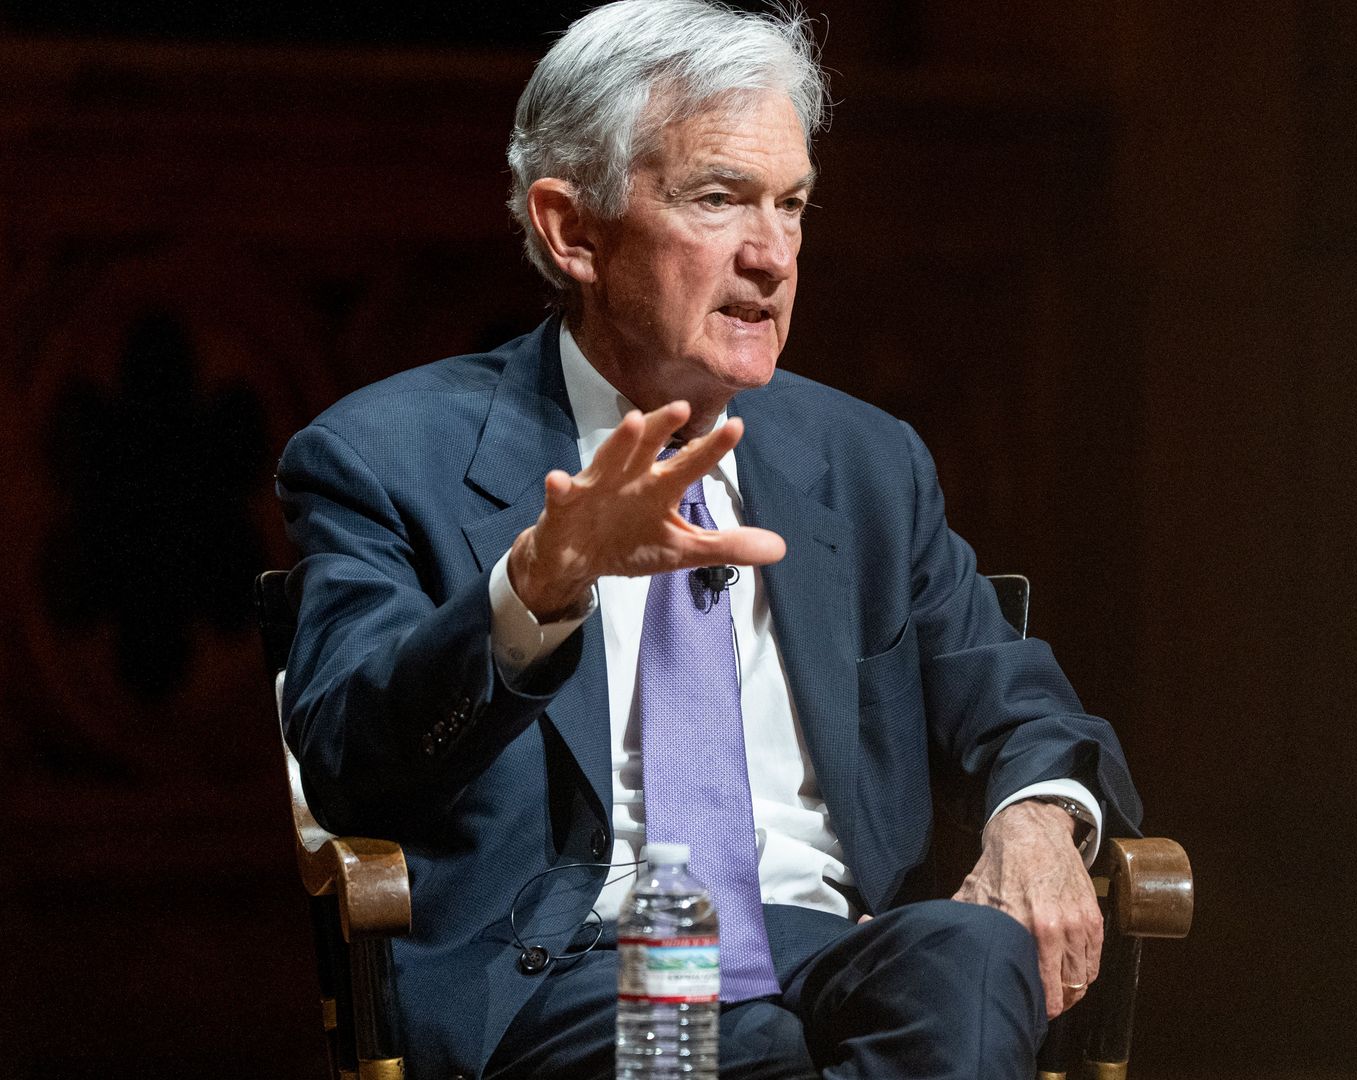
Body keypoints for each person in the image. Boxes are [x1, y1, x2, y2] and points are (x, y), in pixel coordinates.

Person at [276, 2, 1140, 1077]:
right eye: (720, 199)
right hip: (573, 967)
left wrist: (1039, 821)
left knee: (970, 959)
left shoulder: (865, 463)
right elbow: (349, 760)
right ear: (573, 231)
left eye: (793, 205)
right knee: (740, 1041)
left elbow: (1020, 706)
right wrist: (533, 591)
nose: (772, 256)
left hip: (834, 947)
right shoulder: (385, 455)